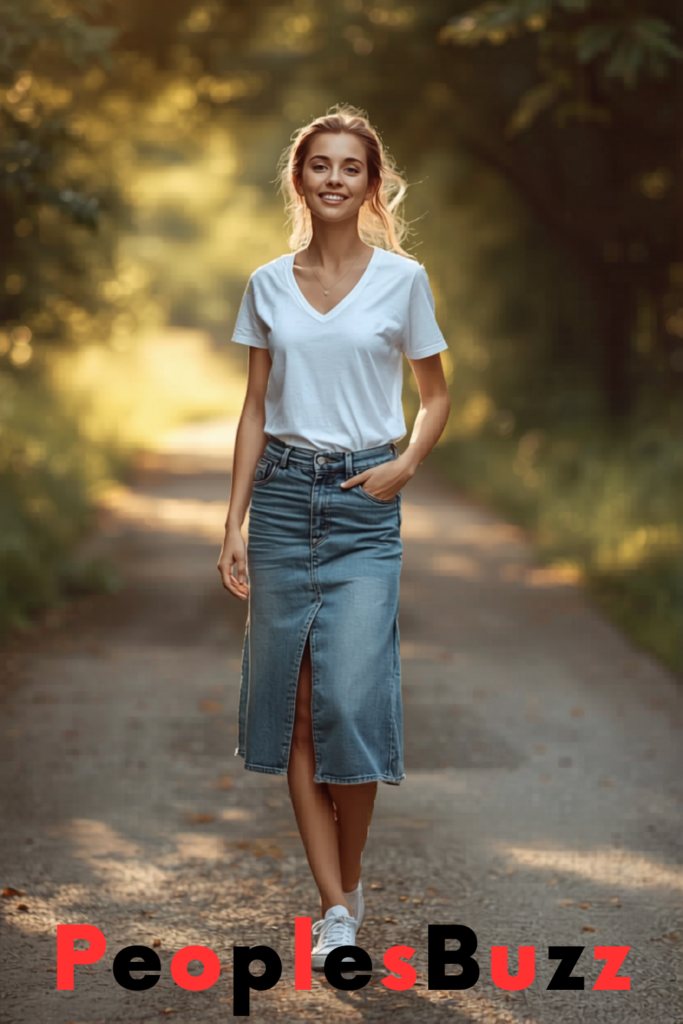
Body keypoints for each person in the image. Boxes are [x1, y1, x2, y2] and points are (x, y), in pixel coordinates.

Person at [217, 105, 451, 969]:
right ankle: (336, 909)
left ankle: (348, 881)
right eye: (320, 164)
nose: (334, 179)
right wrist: (233, 519)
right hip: (282, 502)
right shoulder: (266, 284)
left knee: (350, 705)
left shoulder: (403, 281)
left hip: (363, 506)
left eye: (351, 167)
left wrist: (405, 464)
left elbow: (434, 396)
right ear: (299, 178)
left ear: (371, 184)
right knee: (295, 711)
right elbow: (254, 406)